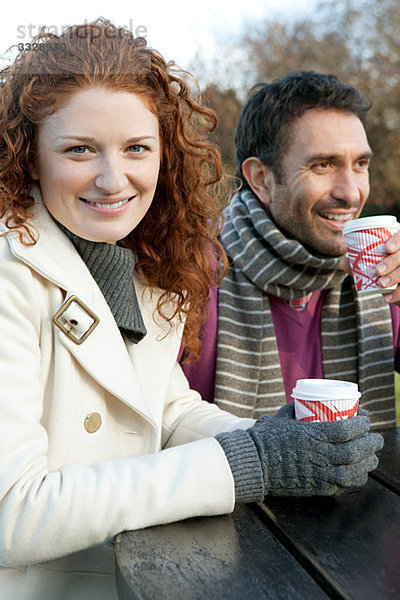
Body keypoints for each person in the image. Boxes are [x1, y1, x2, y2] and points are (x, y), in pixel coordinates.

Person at [0, 24, 382, 600]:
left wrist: (281, 441)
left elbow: (170, 411)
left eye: (136, 148)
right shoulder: (11, 274)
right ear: (30, 158)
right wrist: (248, 461)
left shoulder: (142, 261)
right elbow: (14, 514)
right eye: (79, 149)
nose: (113, 179)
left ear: (164, 154)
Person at [182, 70, 400, 430]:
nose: (351, 192)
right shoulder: (188, 270)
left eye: (360, 164)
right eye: (323, 165)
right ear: (262, 180)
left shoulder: (381, 274)